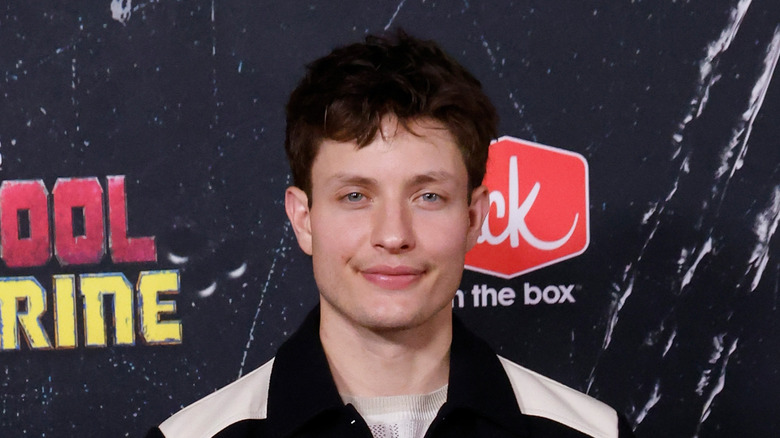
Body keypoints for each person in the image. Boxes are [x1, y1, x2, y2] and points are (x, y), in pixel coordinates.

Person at [147, 31, 635, 438]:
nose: (394, 235)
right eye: (355, 196)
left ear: (473, 218)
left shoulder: (592, 433)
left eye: (428, 196)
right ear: (303, 219)